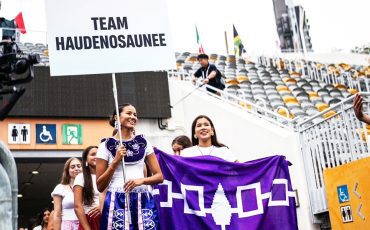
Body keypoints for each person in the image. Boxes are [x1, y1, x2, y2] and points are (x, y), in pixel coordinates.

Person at [96, 103, 163, 229]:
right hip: (117, 200)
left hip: (143, 199)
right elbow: (100, 186)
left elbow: (159, 176)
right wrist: (115, 162)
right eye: (128, 113)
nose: (133, 117)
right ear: (116, 117)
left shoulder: (143, 142)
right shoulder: (105, 145)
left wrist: (141, 180)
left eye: (135, 114)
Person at [73, 146, 102, 230]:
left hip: (107, 217)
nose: (96, 156)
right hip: (89, 220)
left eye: (99, 154)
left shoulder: (108, 176)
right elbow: (77, 206)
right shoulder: (80, 177)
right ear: (86, 159)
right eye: (93, 154)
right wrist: (87, 228)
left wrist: (102, 206)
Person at [51, 158, 82, 230]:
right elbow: (57, 215)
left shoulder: (89, 187)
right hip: (67, 226)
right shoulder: (60, 188)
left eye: (79, 166)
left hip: (85, 224)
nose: (76, 168)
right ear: (67, 171)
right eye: (72, 167)